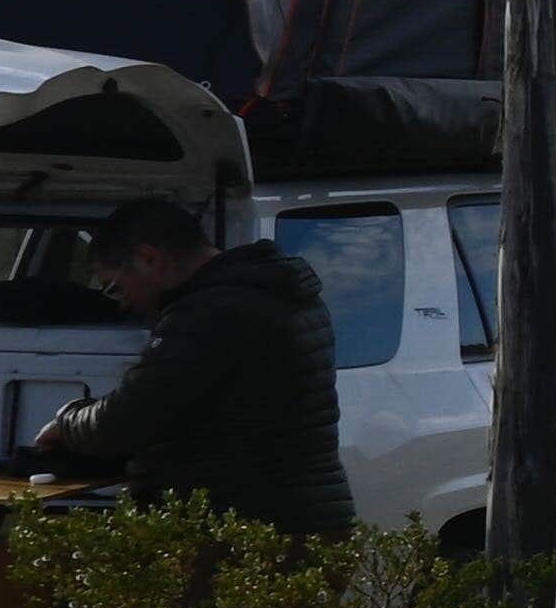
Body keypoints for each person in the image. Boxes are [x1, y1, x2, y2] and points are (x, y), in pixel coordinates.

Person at [22, 196, 357, 538]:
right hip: (307, 518)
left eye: (114, 286)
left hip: (248, 529)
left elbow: (127, 420)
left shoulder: (209, 313)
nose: (123, 302)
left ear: (149, 258)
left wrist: (68, 420)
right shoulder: (284, 294)